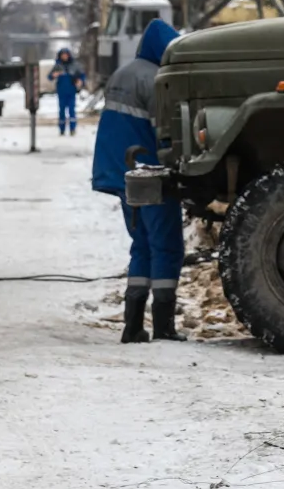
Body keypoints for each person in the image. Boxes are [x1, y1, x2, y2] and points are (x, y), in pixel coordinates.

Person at [91, 18, 184, 343]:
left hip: (120, 172)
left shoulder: (123, 73)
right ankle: (164, 326)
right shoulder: (157, 79)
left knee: (142, 244)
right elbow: (166, 136)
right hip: (148, 173)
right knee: (166, 245)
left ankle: (132, 326)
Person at [47, 47, 86, 136]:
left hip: (71, 91)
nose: (64, 57)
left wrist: (80, 81)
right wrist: (54, 75)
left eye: (66, 55)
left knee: (71, 110)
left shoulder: (74, 65)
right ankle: (62, 129)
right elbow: (50, 77)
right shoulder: (58, 66)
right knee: (62, 111)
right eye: (62, 55)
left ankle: (72, 128)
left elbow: (82, 75)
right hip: (61, 92)